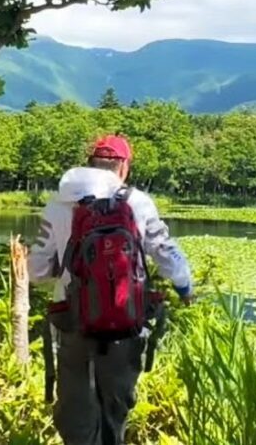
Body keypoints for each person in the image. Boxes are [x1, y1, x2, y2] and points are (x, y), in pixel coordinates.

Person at [29, 134, 194, 445]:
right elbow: (165, 251)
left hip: (72, 319)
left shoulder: (58, 202)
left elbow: (36, 271)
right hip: (125, 319)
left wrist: (66, 271)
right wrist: (184, 287)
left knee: (76, 409)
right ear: (123, 167)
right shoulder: (137, 202)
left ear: (91, 162)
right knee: (115, 408)